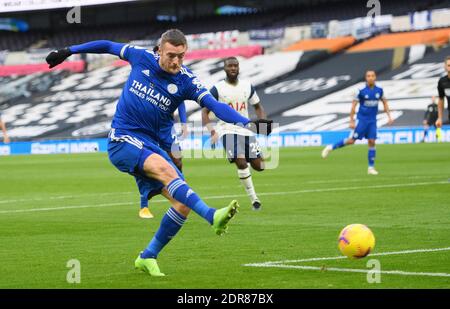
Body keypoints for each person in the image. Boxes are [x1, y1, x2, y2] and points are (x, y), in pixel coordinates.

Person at [46, 29, 272, 276]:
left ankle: (148, 256)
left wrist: (246, 123)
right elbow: (108, 45)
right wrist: (69, 51)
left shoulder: (187, 81)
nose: (176, 61)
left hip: (152, 145)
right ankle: (211, 216)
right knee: (168, 171)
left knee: (182, 204)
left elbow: (214, 106)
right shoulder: (140, 57)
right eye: (171, 55)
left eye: (181, 56)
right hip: (122, 139)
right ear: (159, 51)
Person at [202, 57, 266, 210]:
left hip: (246, 130)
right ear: (224, 68)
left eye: (235, 66)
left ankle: (248, 167)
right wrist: (212, 131)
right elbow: (204, 112)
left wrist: (262, 122)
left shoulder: (247, 86)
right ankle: (254, 199)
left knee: (260, 166)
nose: (233, 68)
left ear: (238, 68)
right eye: (229, 66)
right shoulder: (217, 89)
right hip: (226, 130)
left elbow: (258, 106)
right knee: (241, 162)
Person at [321, 70, 393, 175]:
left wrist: (389, 116)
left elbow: (385, 103)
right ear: (366, 78)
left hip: (372, 121)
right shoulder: (361, 91)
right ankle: (330, 147)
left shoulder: (380, 91)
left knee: (372, 142)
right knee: (352, 141)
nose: (371, 78)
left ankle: (371, 168)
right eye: (368, 76)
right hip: (362, 120)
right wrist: (351, 120)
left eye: (372, 76)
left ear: (375, 77)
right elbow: (354, 106)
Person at [137, 102, 187, 219]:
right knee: (146, 161)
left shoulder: (173, 85)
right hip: (148, 126)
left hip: (166, 126)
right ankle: (144, 205)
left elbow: (180, 101)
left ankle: (182, 195)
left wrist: (184, 123)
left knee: (177, 160)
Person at [436, 56, 450, 128]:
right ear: (445, 67)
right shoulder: (442, 82)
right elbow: (441, 99)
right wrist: (440, 118)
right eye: (449, 65)